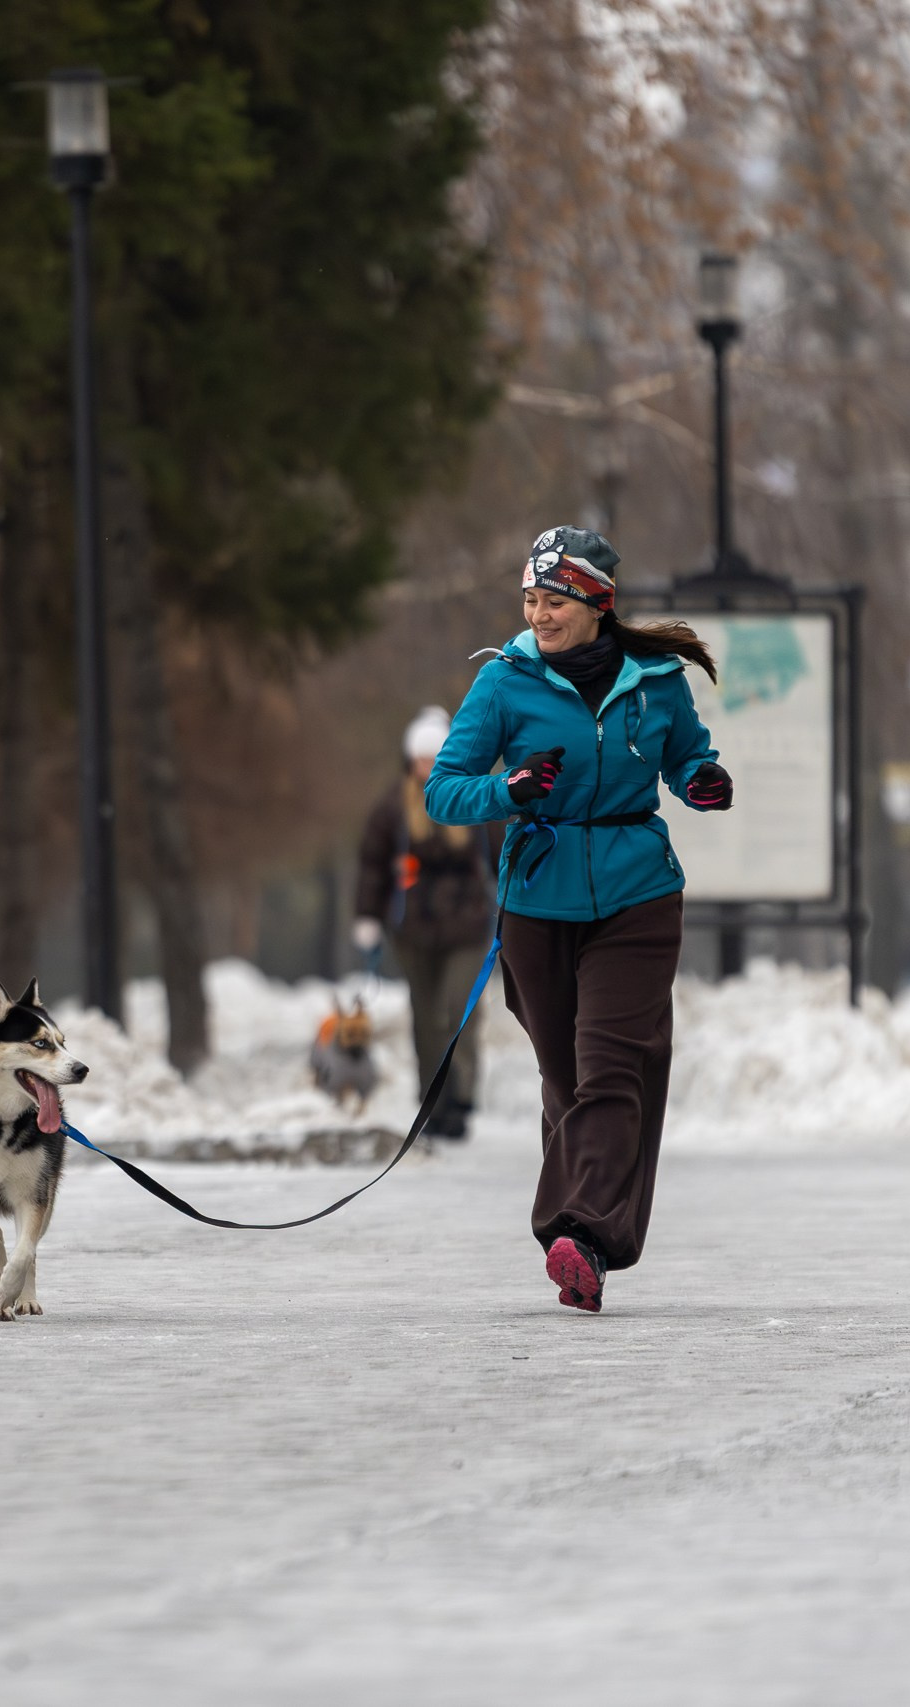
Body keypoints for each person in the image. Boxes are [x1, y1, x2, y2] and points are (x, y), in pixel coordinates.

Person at [423, 525, 734, 1314]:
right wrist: (509, 790)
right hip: (537, 901)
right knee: (568, 1084)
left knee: (609, 1066)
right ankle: (588, 1249)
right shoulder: (503, 683)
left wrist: (700, 779)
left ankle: (580, 1233)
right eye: (531, 599)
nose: (540, 615)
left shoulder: (657, 679)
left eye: (554, 600)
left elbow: (685, 755)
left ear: (596, 602)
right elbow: (445, 789)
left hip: (637, 894)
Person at [352, 706, 491, 1138]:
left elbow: (506, 854)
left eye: (435, 756)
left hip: (467, 924)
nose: (427, 766)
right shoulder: (393, 806)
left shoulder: (476, 796)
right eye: (421, 758)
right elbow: (373, 865)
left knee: (457, 1008)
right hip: (411, 926)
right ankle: (432, 1098)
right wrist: (368, 915)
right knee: (424, 1014)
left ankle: (462, 1096)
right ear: (409, 760)